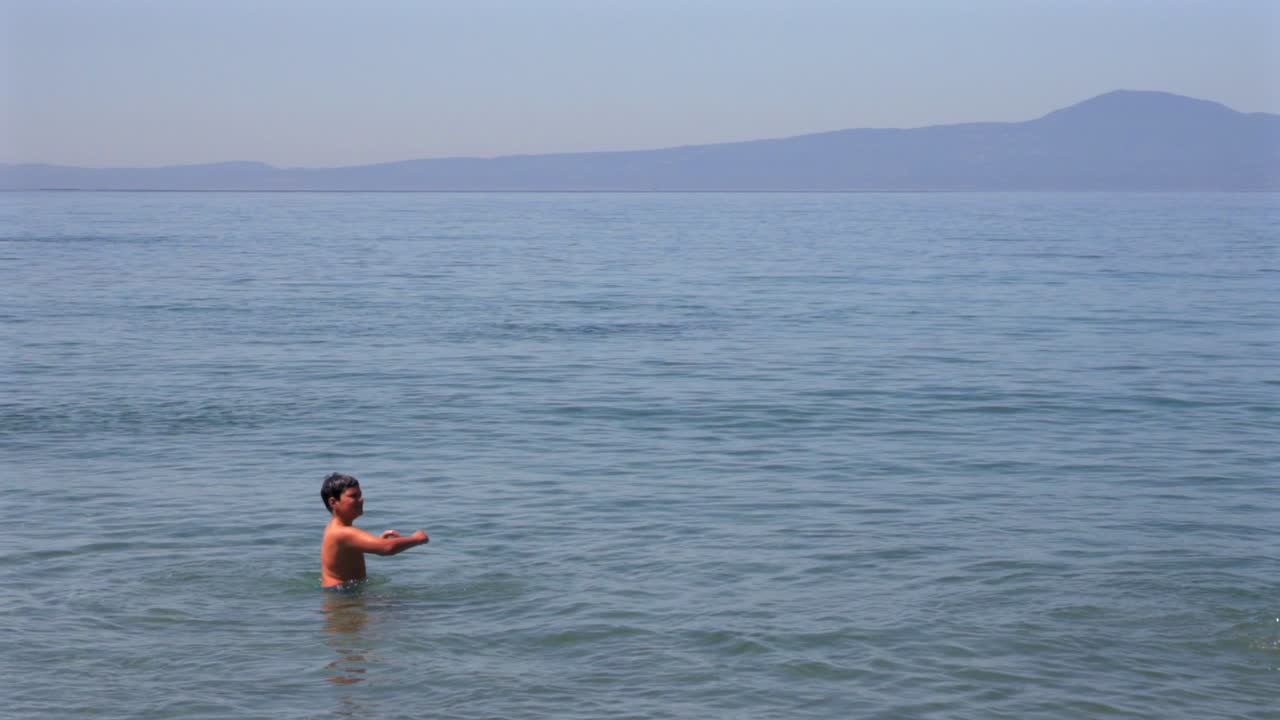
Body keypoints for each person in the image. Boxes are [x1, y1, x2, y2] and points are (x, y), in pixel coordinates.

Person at [320, 473, 429, 588]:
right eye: (353, 496)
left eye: (360, 495)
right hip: (342, 597)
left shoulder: (335, 528)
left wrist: (378, 542)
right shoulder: (342, 532)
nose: (361, 500)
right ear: (333, 502)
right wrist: (417, 538)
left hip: (344, 592)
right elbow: (387, 548)